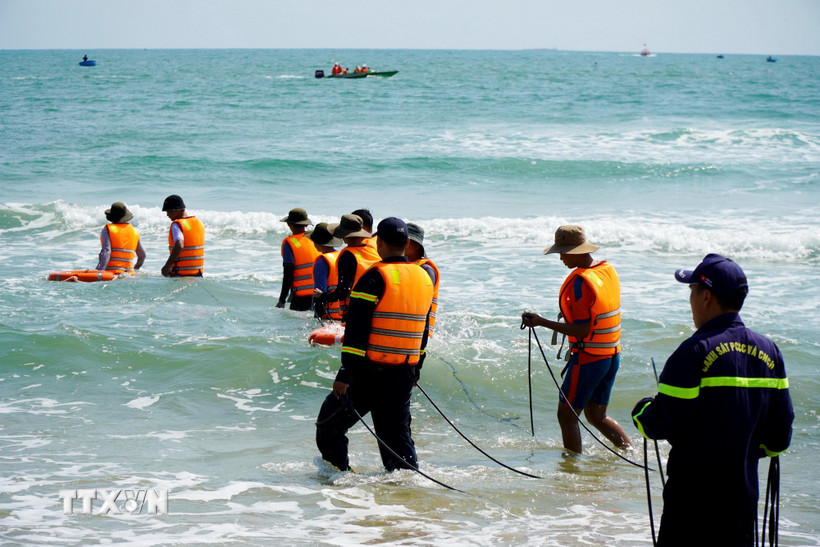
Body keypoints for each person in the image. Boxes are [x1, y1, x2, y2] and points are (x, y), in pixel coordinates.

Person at [631, 254, 794, 546]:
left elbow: (660, 423)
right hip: (742, 502)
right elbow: (779, 438)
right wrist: (745, 451)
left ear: (706, 296)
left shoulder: (693, 351)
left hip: (691, 503)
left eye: (692, 291)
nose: (690, 300)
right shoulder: (770, 352)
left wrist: (641, 411)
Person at [316, 217, 435, 472]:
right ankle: (407, 487)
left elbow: (357, 331)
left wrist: (345, 374)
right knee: (395, 439)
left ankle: (339, 478)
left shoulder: (374, 277)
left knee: (329, 424)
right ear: (406, 243)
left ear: (379, 242)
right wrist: (417, 368)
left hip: (370, 373)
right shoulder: (424, 278)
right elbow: (423, 329)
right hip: (404, 372)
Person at [521, 225, 633, 454]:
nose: (561, 258)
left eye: (563, 252)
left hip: (589, 359)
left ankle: (572, 469)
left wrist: (541, 322)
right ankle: (631, 454)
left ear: (576, 251)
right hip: (610, 355)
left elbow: (582, 330)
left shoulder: (580, 283)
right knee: (597, 416)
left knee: (567, 415)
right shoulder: (606, 270)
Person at [316, 214, 381, 319]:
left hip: (355, 312)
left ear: (344, 237)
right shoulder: (373, 251)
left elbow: (342, 292)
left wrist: (322, 296)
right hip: (376, 308)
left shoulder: (347, 256)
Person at [278, 208, 320, 311]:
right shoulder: (316, 239)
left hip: (301, 296)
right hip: (320, 293)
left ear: (289, 224)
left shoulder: (290, 243)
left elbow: (288, 273)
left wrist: (282, 300)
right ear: (306, 225)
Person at [406, 222, 439, 339]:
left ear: (417, 246)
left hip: (419, 331)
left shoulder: (426, 269)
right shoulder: (405, 265)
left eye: (406, 241)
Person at [161, 195, 204, 277]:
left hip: (180, 274)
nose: (167, 215)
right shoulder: (198, 223)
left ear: (175, 211)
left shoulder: (176, 225)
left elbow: (179, 245)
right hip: (197, 274)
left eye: (168, 212)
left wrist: (167, 265)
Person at [96, 202, 146, 274]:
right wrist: (135, 269)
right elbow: (142, 255)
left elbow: (107, 252)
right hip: (129, 274)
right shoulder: (134, 231)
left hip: (112, 272)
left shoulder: (108, 230)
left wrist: (100, 272)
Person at [310, 222, 344, 321]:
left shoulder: (322, 262)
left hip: (328, 317)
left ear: (316, 242)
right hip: (344, 314)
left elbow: (320, 293)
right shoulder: (342, 256)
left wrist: (317, 317)